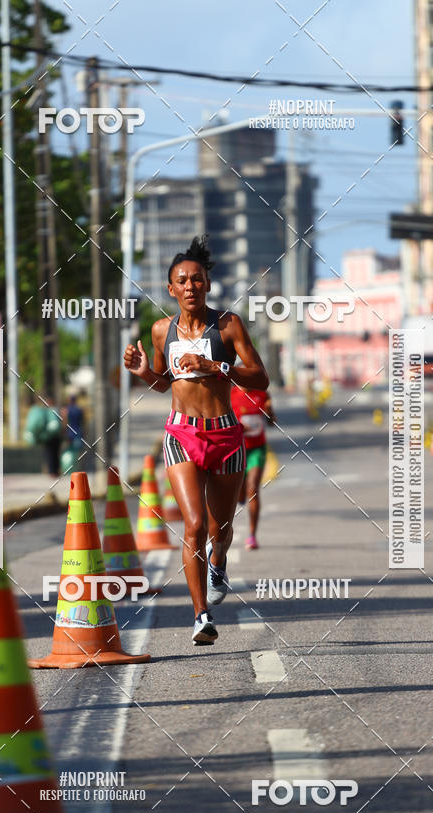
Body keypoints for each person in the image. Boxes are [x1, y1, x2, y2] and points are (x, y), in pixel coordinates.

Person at [123, 235, 269, 647]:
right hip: (181, 434)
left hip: (225, 434)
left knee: (220, 528)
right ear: (171, 289)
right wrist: (141, 372)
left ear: (208, 284)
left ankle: (219, 561)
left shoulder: (228, 325)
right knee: (194, 523)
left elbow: (260, 377)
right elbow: (161, 383)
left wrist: (217, 365)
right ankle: (200, 614)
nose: (190, 286)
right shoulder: (159, 331)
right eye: (182, 281)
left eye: (197, 279)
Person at [231, 381, 276, 550]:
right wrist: (239, 427)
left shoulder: (261, 394)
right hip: (237, 449)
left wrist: (270, 412)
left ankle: (252, 536)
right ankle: (240, 496)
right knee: (239, 495)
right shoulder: (231, 395)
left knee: (253, 489)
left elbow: (271, 422)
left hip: (257, 449)